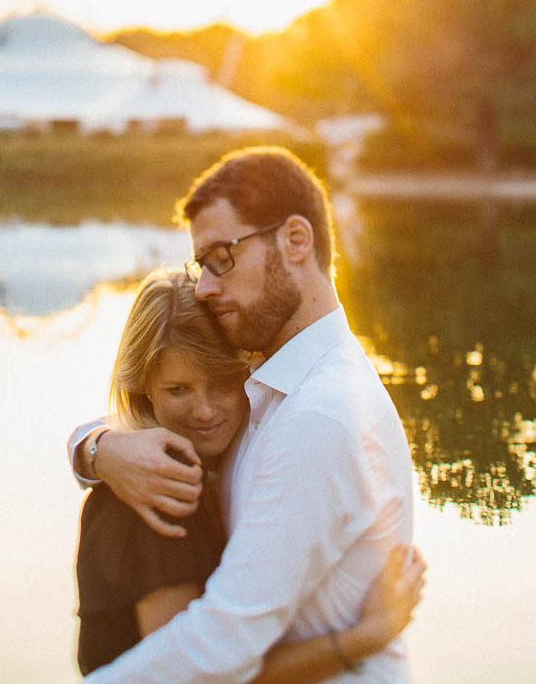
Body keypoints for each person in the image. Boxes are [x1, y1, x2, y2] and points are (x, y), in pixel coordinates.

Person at [71, 147, 418, 682]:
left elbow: (222, 645)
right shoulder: (271, 386)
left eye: (221, 258)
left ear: (295, 240)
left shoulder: (318, 417)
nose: (206, 286)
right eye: (200, 266)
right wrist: (97, 449)